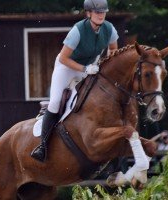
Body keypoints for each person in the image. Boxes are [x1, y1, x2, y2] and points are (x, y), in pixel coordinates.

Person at [31, 0, 119, 162]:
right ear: (88, 13)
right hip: (66, 67)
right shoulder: (77, 31)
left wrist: (102, 64)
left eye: (103, 12)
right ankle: (42, 146)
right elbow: (64, 58)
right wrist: (85, 69)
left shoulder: (109, 29)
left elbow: (113, 51)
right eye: (97, 12)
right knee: (56, 101)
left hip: (90, 67)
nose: (101, 15)